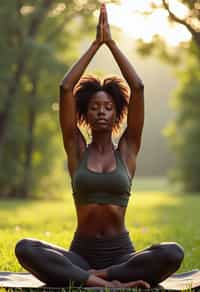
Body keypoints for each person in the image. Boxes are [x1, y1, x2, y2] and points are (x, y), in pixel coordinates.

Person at [14, 3, 184, 289]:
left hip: (122, 256)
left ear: (117, 114)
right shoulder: (76, 149)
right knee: (25, 248)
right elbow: (66, 88)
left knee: (172, 252)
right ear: (86, 113)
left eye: (108, 107)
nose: (102, 111)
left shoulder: (128, 150)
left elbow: (138, 87)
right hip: (79, 255)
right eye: (95, 107)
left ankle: (97, 278)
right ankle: (102, 281)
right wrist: (95, 44)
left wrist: (112, 43)